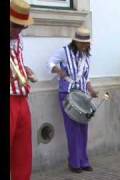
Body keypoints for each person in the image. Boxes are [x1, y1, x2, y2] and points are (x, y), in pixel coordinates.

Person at [48, 27, 98, 173]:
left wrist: (92, 90)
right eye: (82, 43)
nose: (84, 46)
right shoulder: (64, 52)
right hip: (67, 95)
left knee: (83, 129)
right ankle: (74, 162)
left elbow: (86, 78)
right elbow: (50, 63)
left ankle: (84, 161)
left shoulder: (87, 56)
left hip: (82, 95)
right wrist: (58, 71)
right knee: (72, 129)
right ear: (75, 41)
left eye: (86, 43)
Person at [10, 0, 37, 179]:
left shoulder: (18, 39)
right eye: (16, 26)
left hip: (22, 98)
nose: (19, 30)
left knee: (23, 152)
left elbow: (17, 61)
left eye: (22, 27)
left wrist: (24, 69)